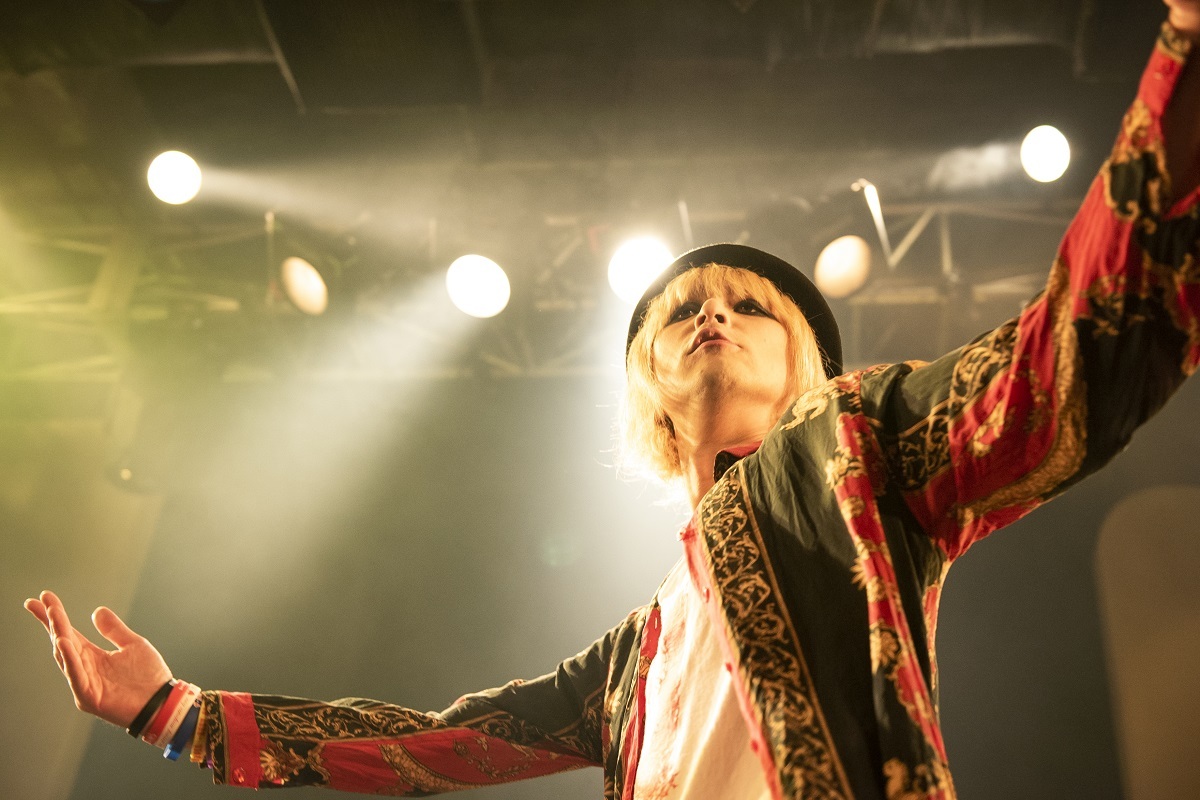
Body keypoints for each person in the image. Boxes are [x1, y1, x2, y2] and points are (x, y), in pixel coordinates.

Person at [25, 2, 1200, 798]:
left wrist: (1182, 56)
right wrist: (174, 708)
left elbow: (1062, 362)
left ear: (810, 364)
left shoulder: (860, 445)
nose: (712, 311)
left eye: (750, 304)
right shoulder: (634, 659)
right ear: (648, 391)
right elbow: (435, 742)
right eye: (683, 307)